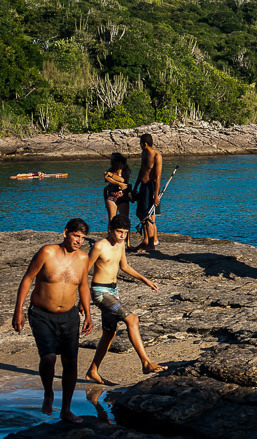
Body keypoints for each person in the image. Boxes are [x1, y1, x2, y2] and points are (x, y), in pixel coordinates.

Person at [12, 219, 94, 423]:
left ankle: (66, 409)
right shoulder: (47, 252)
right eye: (76, 236)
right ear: (65, 232)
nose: (79, 241)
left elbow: (83, 285)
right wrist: (18, 311)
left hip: (69, 316)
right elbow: (27, 279)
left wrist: (89, 314)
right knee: (48, 358)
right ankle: (48, 393)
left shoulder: (83, 258)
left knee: (70, 361)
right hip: (41, 314)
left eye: (83, 238)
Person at [85, 214, 167, 385]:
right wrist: (82, 301)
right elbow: (83, 271)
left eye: (125, 233)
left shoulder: (121, 244)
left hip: (114, 291)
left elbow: (124, 266)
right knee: (132, 319)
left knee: (109, 333)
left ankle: (92, 371)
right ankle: (146, 362)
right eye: (119, 232)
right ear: (110, 230)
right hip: (100, 292)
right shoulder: (100, 246)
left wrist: (145, 280)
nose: (122, 236)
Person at [133, 133, 162, 253]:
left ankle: (151, 244)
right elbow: (142, 170)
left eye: (140, 143)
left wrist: (156, 195)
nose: (139, 145)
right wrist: (136, 186)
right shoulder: (143, 153)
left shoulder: (156, 155)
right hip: (143, 187)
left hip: (151, 188)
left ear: (144, 143)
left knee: (149, 217)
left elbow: (158, 176)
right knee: (140, 214)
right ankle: (145, 241)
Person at [103, 153, 131, 222]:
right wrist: (117, 182)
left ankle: (127, 232)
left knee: (125, 219)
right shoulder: (111, 171)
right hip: (112, 196)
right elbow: (107, 179)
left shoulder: (126, 171)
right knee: (111, 220)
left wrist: (110, 175)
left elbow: (122, 179)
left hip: (123, 197)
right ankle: (110, 232)